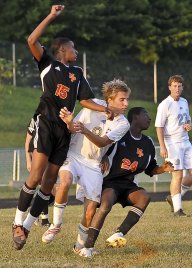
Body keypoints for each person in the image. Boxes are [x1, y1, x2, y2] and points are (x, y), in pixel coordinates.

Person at [12, 5, 118, 250]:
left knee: (49, 183)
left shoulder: (77, 73)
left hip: (64, 131)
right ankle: (17, 223)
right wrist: (51, 16)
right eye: (73, 48)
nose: (76, 51)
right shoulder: (48, 62)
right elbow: (31, 39)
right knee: (37, 174)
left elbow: (84, 100)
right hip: (46, 123)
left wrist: (106, 109)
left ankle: (27, 226)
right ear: (62, 50)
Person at [41, 79, 130, 255]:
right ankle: (56, 225)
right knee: (65, 181)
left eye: (127, 99)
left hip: (93, 164)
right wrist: (69, 122)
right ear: (109, 100)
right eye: (122, 99)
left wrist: (85, 130)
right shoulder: (93, 105)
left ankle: (79, 246)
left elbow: (103, 141)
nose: (126, 103)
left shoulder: (123, 123)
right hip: (73, 155)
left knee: (90, 211)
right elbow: (74, 128)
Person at [77, 107, 174, 257]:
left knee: (144, 197)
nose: (149, 118)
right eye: (146, 115)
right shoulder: (120, 135)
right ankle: (87, 247)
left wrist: (163, 168)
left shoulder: (147, 143)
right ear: (135, 117)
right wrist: (103, 157)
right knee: (105, 204)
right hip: (109, 181)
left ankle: (118, 234)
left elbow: (150, 168)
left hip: (128, 184)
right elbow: (102, 147)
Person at [155, 75, 192, 216]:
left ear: (182, 87)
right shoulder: (165, 104)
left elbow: (188, 120)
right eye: (174, 86)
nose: (177, 88)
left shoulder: (184, 102)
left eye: (179, 86)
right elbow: (159, 126)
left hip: (185, 141)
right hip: (172, 143)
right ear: (169, 87)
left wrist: (189, 126)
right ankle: (177, 209)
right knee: (178, 176)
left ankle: (174, 197)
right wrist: (162, 146)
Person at [25, 118, 54, 227]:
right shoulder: (36, 118)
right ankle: (44, 219)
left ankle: (34, 210)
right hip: (38, 155)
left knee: (54, 191)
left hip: (52, 156)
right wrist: (28, 160)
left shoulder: (60, 116)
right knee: (45, 187)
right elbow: (28, 141)